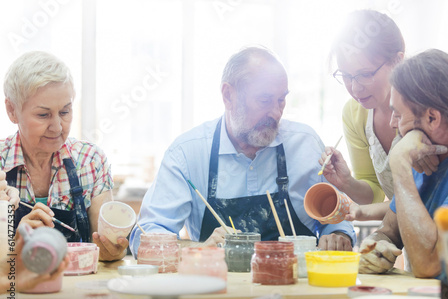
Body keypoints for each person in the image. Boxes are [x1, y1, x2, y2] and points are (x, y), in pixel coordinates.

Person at [130, 46, 356, 255]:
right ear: (228, 95)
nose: (276, 113)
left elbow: (336, 216)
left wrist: (338, 234)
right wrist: (197, 251)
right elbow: (145, 234)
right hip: (218, 290)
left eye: (281, 100)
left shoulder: (304, 144)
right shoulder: (188, 153)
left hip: (296, 290)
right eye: (264, 100)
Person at [358, 49, 448, 278]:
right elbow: (389, 231)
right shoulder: (421, 150)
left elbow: (430, 265)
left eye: (397, 113)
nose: (393, 123)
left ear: (432, 118)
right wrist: (375, 245)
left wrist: (399, 163)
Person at [1, 51, 124, 261]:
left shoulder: (90, 161)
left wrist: (112, 252)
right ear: (12, 110)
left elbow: (105, 247)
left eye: (65, 112)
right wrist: (11, 242)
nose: (57, 127)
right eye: (43, 115)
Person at [320, 10, 405, 219]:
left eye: (365, 74)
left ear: (397, 61)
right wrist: (347, 183)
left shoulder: (425, 108)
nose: (355, 88)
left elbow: (431, 197)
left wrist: (365, 214)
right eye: (346, 76)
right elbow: (375, 193)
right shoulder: (355, 112)